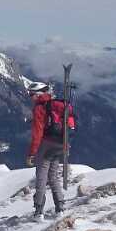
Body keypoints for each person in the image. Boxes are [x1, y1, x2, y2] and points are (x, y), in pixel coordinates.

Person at [26, 82, 72, 216]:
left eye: (31, 94)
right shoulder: (55, 104)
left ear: (38, 94)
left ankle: (38, 211)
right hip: (61, 144)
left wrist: (32, 153)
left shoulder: (40, 108)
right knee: (53, 176)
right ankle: (60, 208)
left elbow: (37, 133)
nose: (30, 97)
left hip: (47, 144)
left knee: (41, 176)